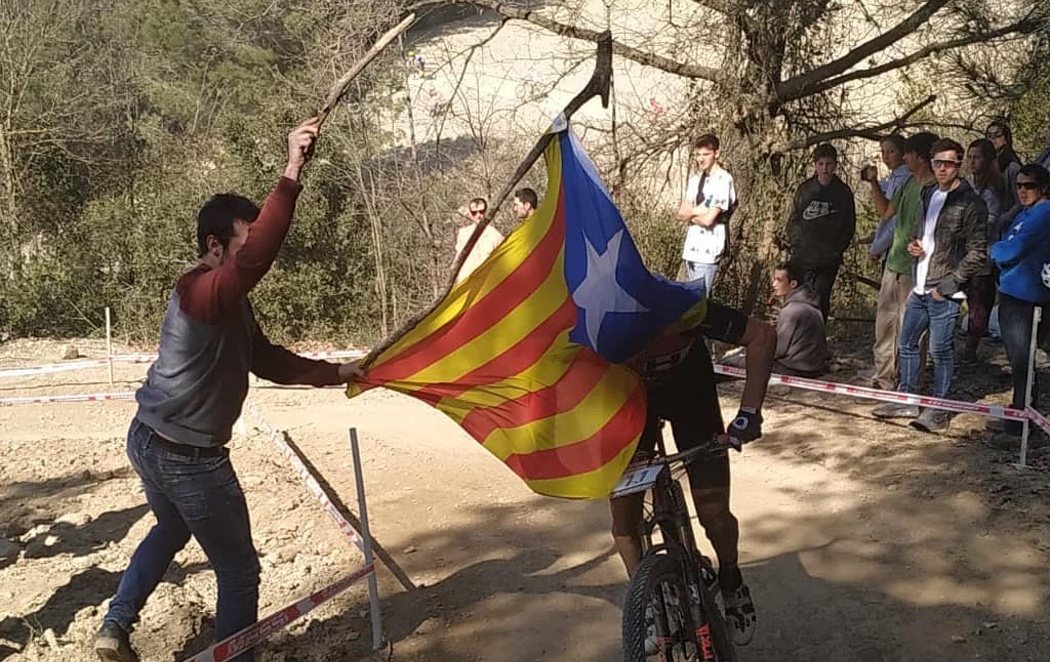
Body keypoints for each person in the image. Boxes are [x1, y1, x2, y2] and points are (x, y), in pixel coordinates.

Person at [94, 118, 365, 662]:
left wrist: (336, 373)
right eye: (240, 249)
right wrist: (291, 171)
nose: (249, 263)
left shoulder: (228, 304)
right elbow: (257, 256)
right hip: (186, 456)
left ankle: (115, 627)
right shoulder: (198, 292)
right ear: (216, 247)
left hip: (150, 439)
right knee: (239, 571)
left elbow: (264, 359)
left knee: (170, 528)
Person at [614, 302, 775, 647]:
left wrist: (750, 414)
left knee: (713, 512)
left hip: (691, 395)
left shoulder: (681, 305)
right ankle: (641, 600)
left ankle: (731, 580)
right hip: (627, 402)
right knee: (624, 521)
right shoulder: (591, 316)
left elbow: (762, 334)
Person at [872, 138, 988, 432]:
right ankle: (907, 398)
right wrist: (915, 247)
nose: (943, 168)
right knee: (908, 343)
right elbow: (923, 232)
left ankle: (940, 409)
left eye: (949, 163)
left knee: (940, 351)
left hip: (944, 290)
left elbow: (978, 252)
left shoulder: (970, 202)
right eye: (938, 162)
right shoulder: (927, 192)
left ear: (958, 164)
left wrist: (949, 285)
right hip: (920, 284)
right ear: (931, 163)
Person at [863, 132, 938, 390]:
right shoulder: (907, 184)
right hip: (894, 264)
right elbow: (886, 213)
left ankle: (910, 382)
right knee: (885, 325)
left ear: (921, 157)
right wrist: (873, 184)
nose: (904, 158)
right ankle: (884, 377)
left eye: (907, 153)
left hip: (917, 269)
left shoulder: (935, 190)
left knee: (912, 330)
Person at [988, 164, 1050, 448]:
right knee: (1019, 362)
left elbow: (1011, 248)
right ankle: (1018, 417)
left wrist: (994, 251)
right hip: (1014, 291)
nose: (1023, 190)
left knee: (1022, 362)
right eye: (1019, 185)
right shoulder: (1026, 212)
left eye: (1030, 186)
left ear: (1043, 188)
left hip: (1024, 295)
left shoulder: (1043, 213)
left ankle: (1021, 429)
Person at [784, 143, 856, 321]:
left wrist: (836, 250)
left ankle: (816, 339)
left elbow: (849, 226)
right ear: (815, 165)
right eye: (821, 164)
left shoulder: (843, 192)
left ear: (835, 165)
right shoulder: (805, 189)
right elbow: (793, 219)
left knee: (820, 300)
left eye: (829, 164)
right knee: (798, 299)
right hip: (803, 256)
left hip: (827, 259)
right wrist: (797, 242)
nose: (825, 168)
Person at [960, 138, 1007, 362]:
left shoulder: (992, 191)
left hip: (983, 254)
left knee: (979, 302)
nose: (972, 162)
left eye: (977, 157)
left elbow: (990, 221)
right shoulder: (966, 184)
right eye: (969, 157)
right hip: (962, 253)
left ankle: (971, 347)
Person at [676, 133, 737, 290]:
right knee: (689, 301)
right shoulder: (695, 180)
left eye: (706, 154)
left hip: (708, 250)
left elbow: (708, 219)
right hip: (691, 249)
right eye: (698, 155)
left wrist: (691, 214)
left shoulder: (723, 180)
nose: (701, 159)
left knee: (699, 303)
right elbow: (681, 213)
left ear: (716, 154)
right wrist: (698, 211)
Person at [770, 262, 831, 377]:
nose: (774, 284)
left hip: (794, 368)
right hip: (815, 367)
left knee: (733, 362)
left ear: (793, 284)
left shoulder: (791, 310)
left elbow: (778, 350)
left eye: (779, 280)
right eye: (774, 279)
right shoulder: (813, 306)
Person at [862, 134, 911, 262]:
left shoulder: (905, 179)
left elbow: (892, 220)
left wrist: (877, 247)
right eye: (883, 152)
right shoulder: (894, 177)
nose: (886, 157)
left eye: (891, 152)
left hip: (898, 249)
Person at [453, 197, 505, 284]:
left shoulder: (494, 234)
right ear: (470, 214)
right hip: (466, 282)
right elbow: (457, 260)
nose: (478, 215)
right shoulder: (463, 234)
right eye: (474, 213)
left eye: (481, 211)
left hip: (487, 282)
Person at [986, 118, 1023, 209]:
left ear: (1006, 139)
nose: (993, 139)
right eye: (989, 136)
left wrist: (1003, 220)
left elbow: (1019, 202)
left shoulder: (1013, 168)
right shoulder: (983, 164)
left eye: (997, 135)